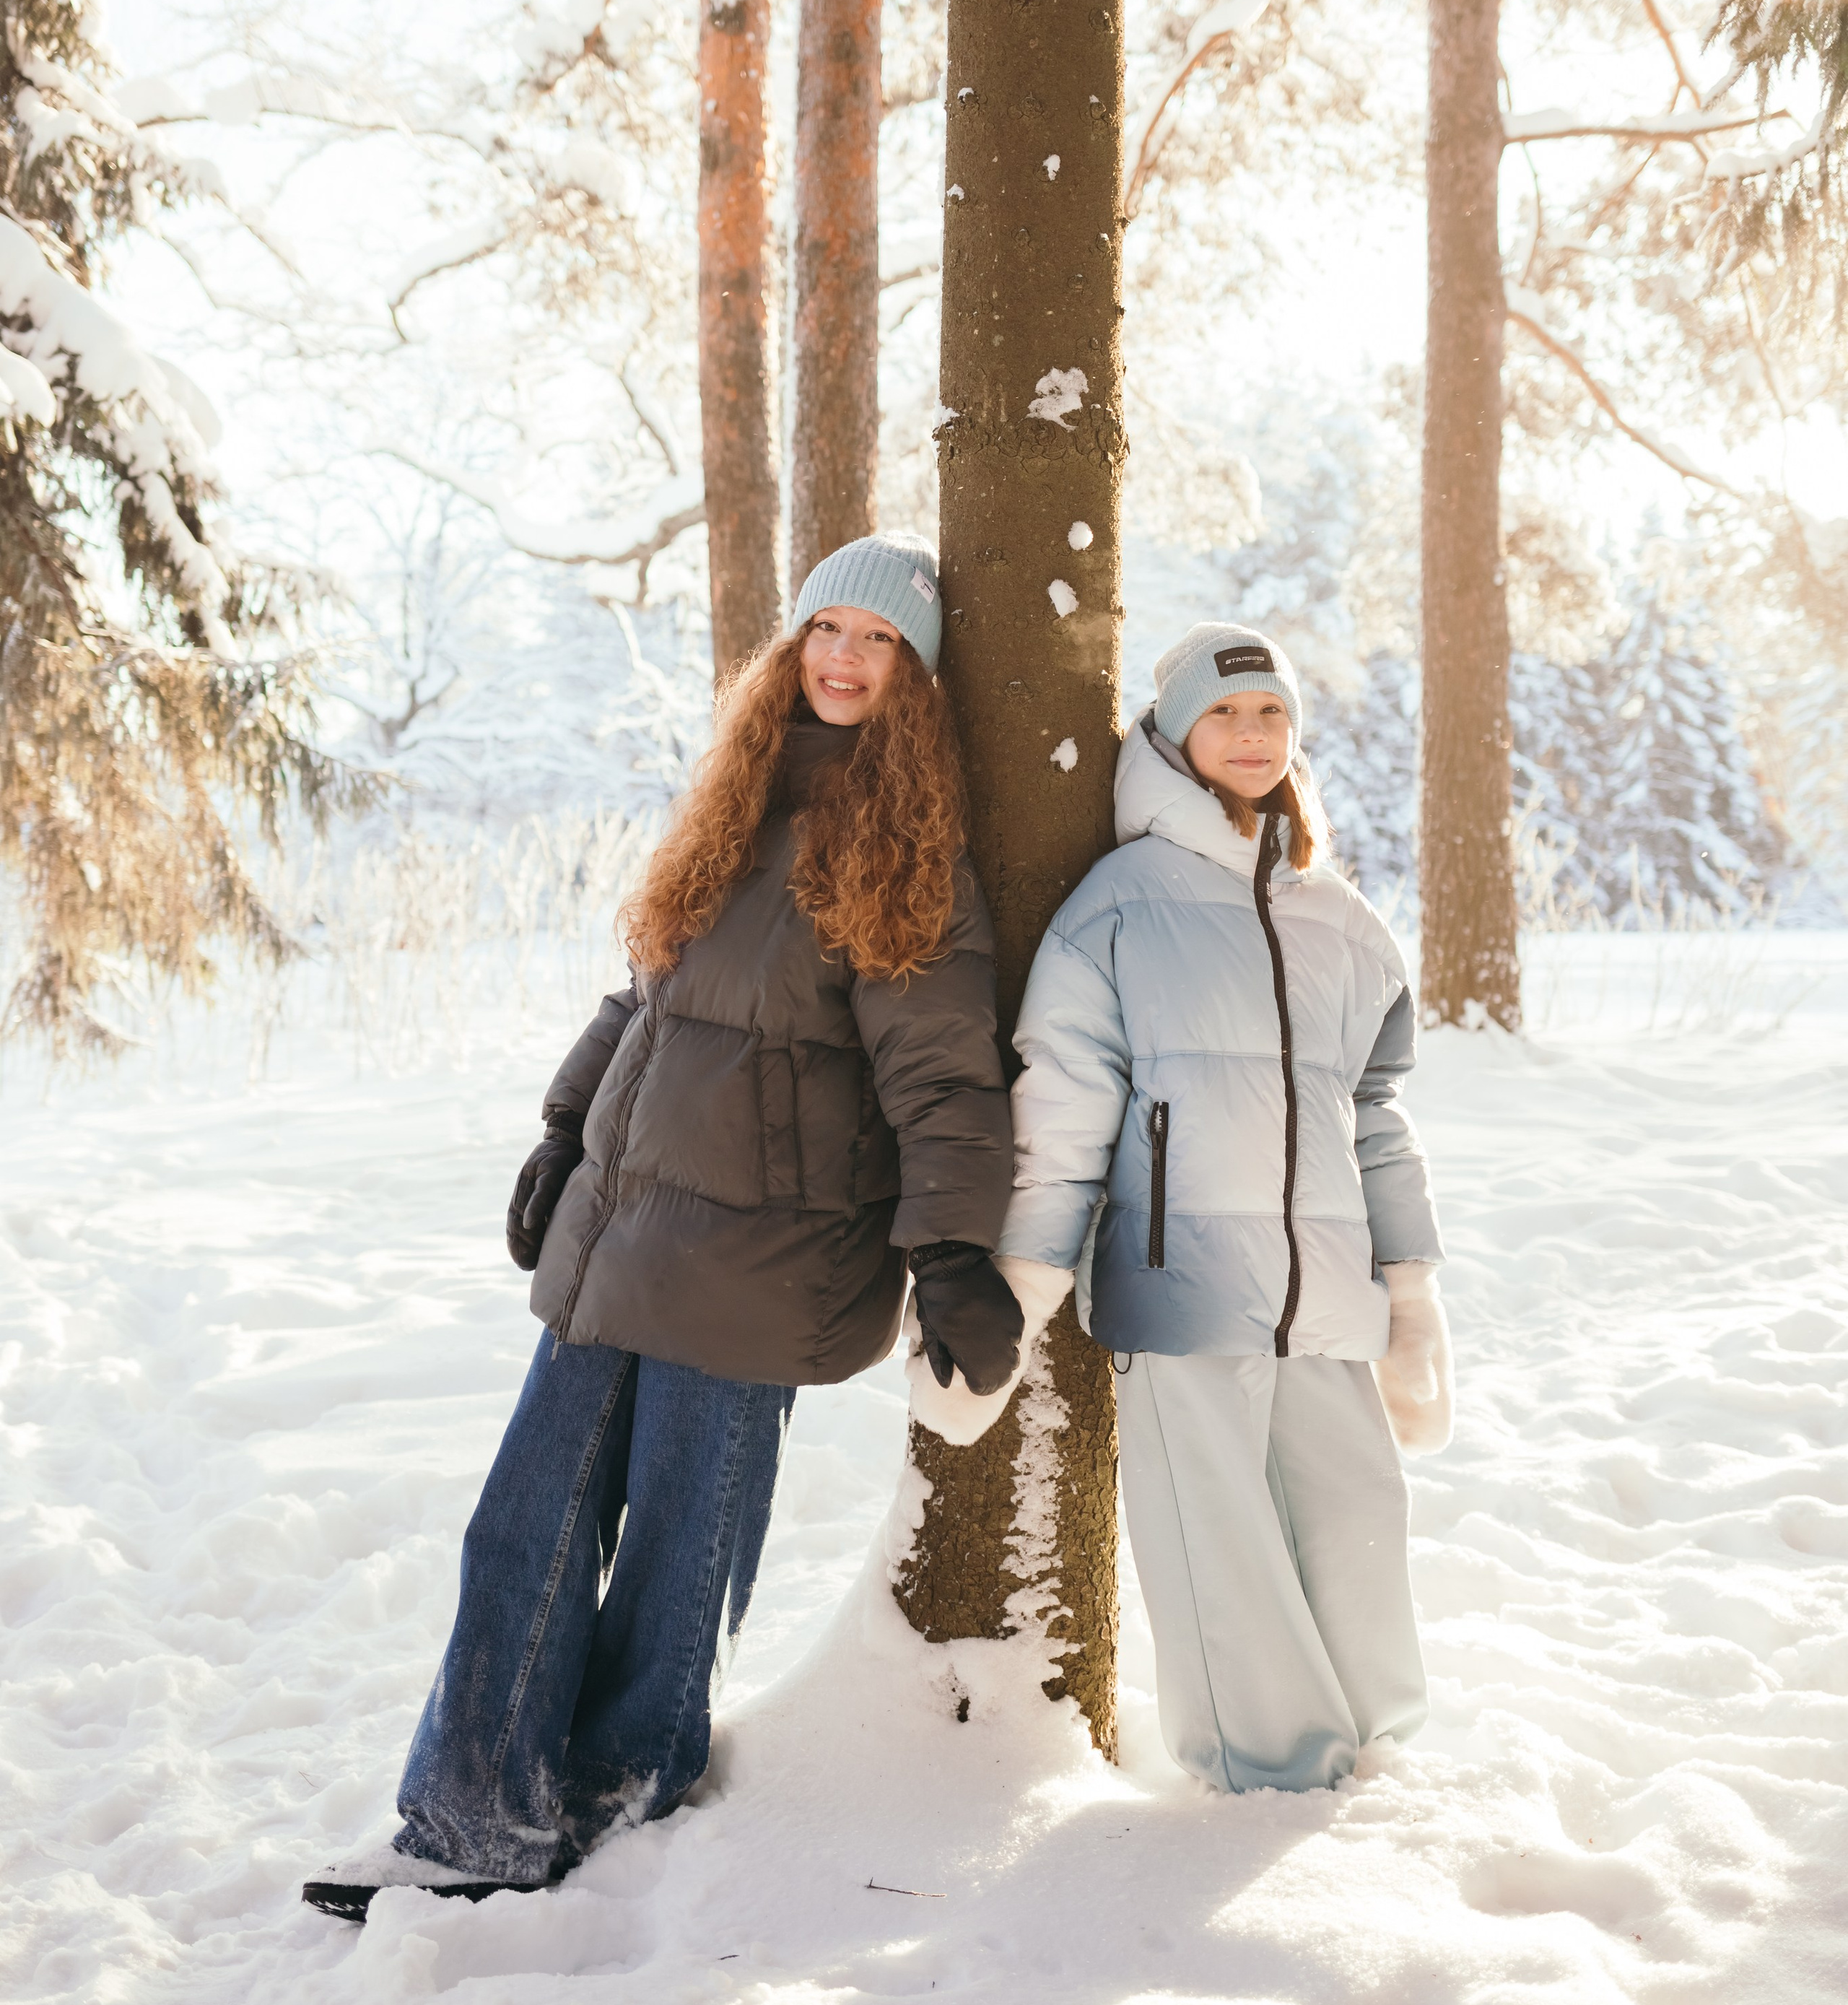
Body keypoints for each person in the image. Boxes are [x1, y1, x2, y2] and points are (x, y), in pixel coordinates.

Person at [304, 536, 1025, 1920]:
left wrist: (949, 1250)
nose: (843, 659)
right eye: (826, 630)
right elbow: (641, 1000)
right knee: (526, 1524)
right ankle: (474, 1817)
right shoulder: (734, 807)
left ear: (915, 681)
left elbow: (941, 1077)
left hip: (767, 1256)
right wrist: (564, 1130)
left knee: (685, 1546)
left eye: (879, 644)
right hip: (625, 1229)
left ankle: (624, 1791)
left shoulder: (909, 862)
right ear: (789, 650)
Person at [997, 622, 1454, 1795]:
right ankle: (1268, 1773)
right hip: (1184, 1285)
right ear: (1173, 732)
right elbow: (1064, 1102)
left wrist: (1412, 1291)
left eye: (1272, 717)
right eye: (1225, 714)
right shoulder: (1116, 905)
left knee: (1358, 1516)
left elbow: (1378, 1116)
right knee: (1222, 1547)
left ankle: (1378, 1753)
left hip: (1326, 1291)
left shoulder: (1340, 921)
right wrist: (1031, 1271)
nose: (1252, 736)